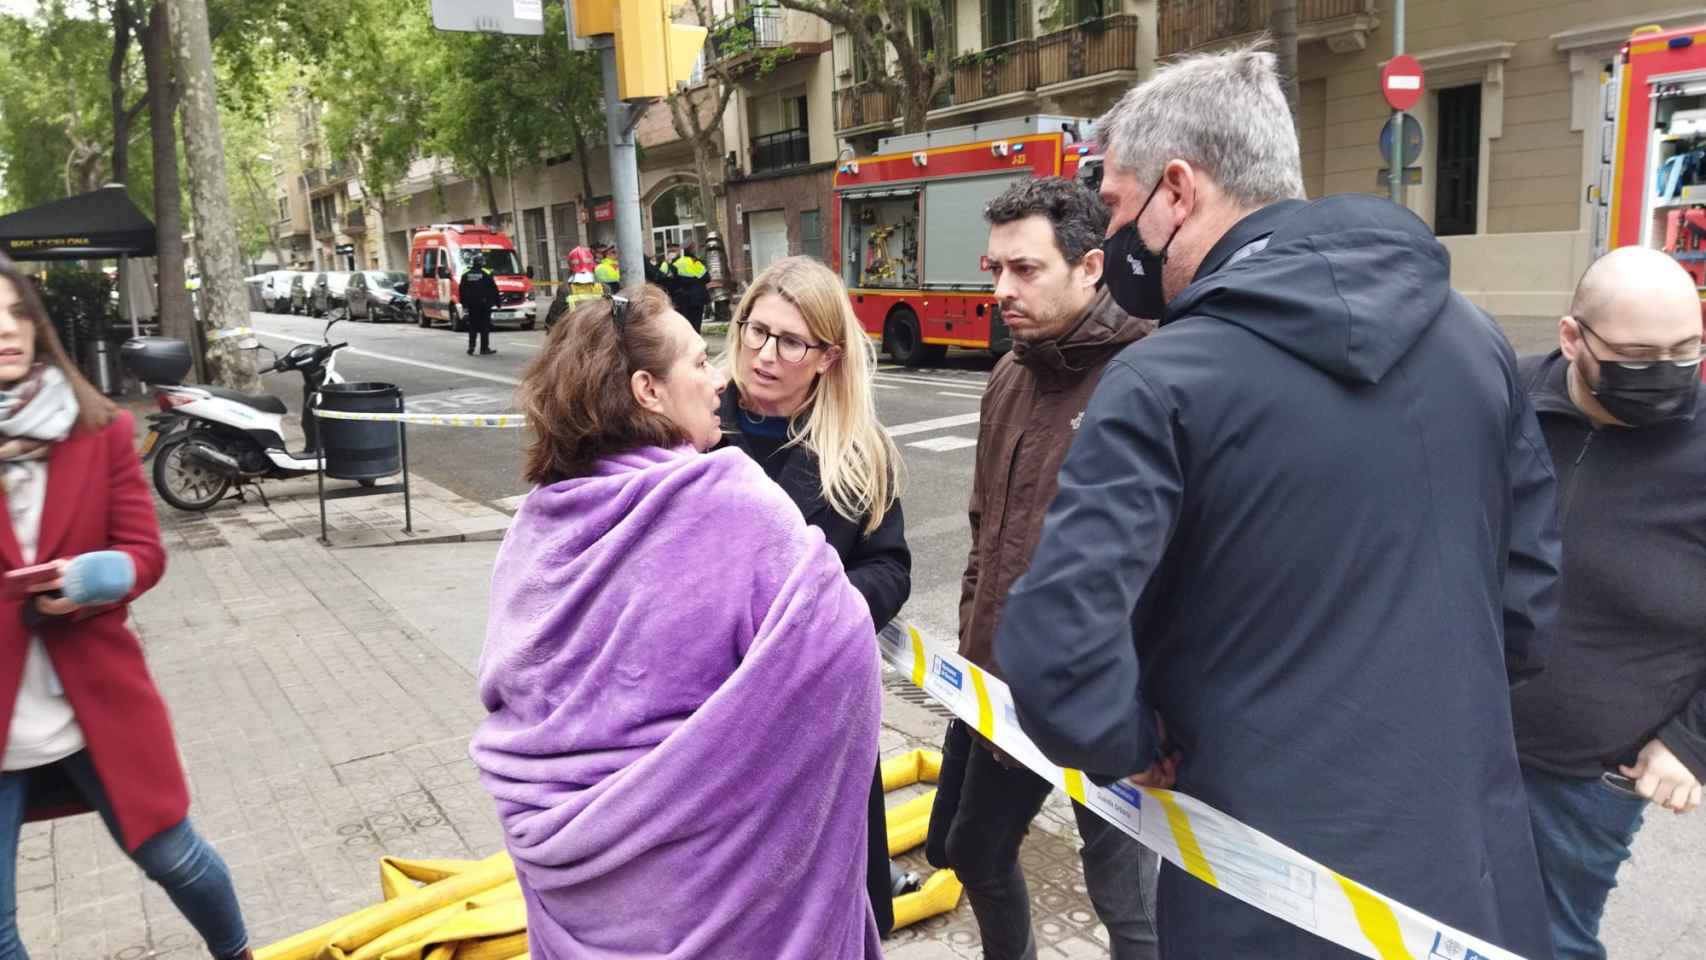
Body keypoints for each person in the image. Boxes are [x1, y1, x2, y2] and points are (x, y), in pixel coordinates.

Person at [992, 46, 1561, 960]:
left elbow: (1059, 652)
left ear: (1178, 191)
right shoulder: (1478, 340)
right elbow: (1528, 609)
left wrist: (1133, 741)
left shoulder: (1159, 380)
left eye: (1117, 206)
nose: (1115, 243)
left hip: (1260, 885)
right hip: (1471, 874)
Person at [470, 285, 883, 958]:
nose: (719, 375)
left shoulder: (536, 526)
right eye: (697, 362)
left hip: (577, 890)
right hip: (717, 897)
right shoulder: (734, 504)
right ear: (648, 390)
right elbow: (840, 657)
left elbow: (508, 692)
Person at [921, 177, 1160, 960]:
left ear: (1091, 266)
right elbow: (985, 532)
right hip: (1001, 690)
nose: (1001, 289)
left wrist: (1153, 714)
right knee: (970, 852)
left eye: (1024, 270)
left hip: (1113, 706)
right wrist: (974, 656)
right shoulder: (1009, 376)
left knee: (1129, 906)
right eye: (994, 269)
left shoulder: (1151, 375)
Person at [0, 255, 254, 960]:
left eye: (17, 312)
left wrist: (90, 578)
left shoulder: (100, 429)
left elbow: (146, 552)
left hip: (94, 702)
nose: (5, 330)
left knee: (176, 860)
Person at [1510, 246, 1705, 960]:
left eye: (1687, 350)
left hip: (1588, 775)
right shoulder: (1506, 398)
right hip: (1461, 736)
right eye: (1636, 353)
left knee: (1549, 942)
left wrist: (1691, 743)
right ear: (1572, 339)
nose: (1666, 371)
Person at [715, 256, 913, 937]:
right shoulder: (691, 428)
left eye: (790, 342)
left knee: (827, 915)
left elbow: (890, 568)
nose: (764, 354)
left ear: (828, 355)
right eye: (755, 330)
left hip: (814, 715)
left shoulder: (859, 451)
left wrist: (818, 612)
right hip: (708, 718)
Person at [458, 252, 500, 356]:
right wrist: (497, 302)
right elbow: (493, 289)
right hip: (484, 305)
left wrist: (464, 304)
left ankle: (471, 347)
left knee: (472, 327)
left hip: (471, 305)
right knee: (484, 327)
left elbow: (461, 290)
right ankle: (484, 348)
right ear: (481, 263)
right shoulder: (486, 273)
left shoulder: (466, 274)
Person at [672, 243, 710, 332]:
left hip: (684, 298)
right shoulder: (696, 262)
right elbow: (706, 278)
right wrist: (696, 280)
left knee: (686, 322)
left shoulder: (677, 263)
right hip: (698, 297)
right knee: (697, 322)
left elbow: (674, 280)